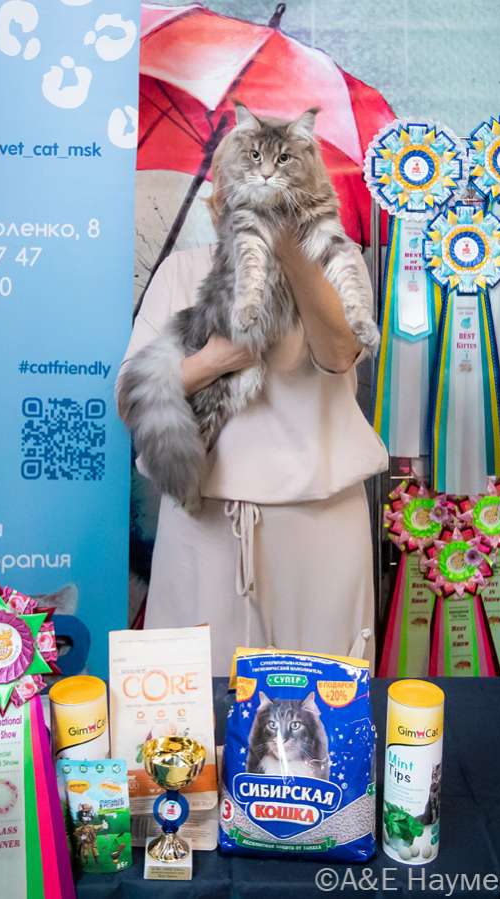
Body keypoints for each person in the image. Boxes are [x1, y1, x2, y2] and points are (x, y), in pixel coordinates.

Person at [118, 153, 388, 677]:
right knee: (197, 692)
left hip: (318, 522)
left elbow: (339, 354)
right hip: (204, 524)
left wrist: (289, 251)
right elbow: (130, 398)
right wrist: (214, 360)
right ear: (218, 200)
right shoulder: (182, 271)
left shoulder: (340, 263)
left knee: (322, 690)